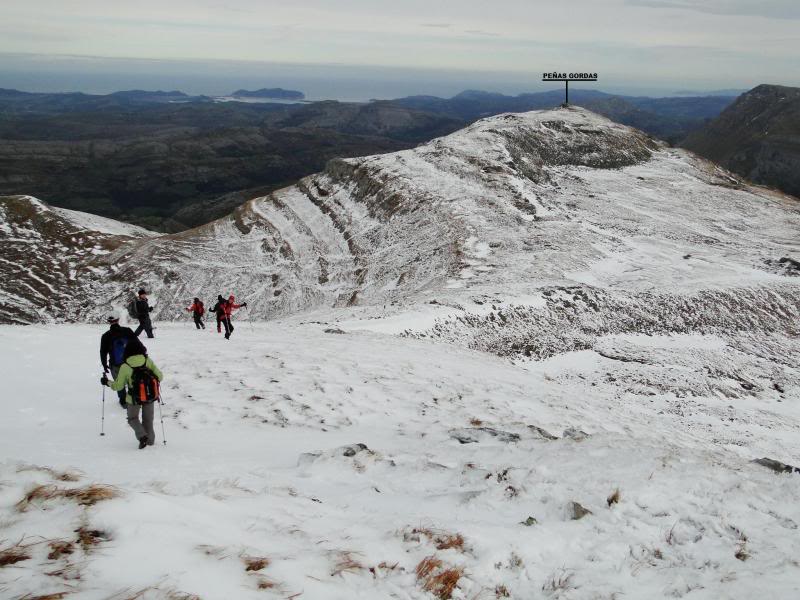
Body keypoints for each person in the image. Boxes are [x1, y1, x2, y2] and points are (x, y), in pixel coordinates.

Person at [101, 337, 163, 449]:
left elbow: (118, 386)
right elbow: (160, 377)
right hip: (149, 395)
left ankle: (142, 436)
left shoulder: (125, 366)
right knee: (148, 419)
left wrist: (107, 382)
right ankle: (150, 442)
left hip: (133, 398)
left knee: (132, 419)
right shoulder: (147, 361)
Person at [99, 314, 137, 408]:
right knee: (132, 381)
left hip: (115, 364)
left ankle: (123, 401)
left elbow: (103, 352)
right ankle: (134, 399)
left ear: (109, 321)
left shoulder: (105, 336)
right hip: (130, 363)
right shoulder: (127, 331)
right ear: (118, 320)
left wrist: (104, 364)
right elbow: (137, 344)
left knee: (119, 383)